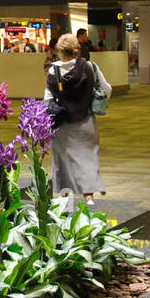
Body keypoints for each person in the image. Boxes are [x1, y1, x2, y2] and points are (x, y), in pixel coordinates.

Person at [44, 33, 112, 206]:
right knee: (87, 157)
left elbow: (47, 100)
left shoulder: (54, 71)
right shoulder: (90, 67)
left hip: (63, 123)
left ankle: (65, 195)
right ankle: (88, 196)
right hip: (86, 121)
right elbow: (107, 90)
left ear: (59, 50)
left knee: (64, 158)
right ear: (77, 49)